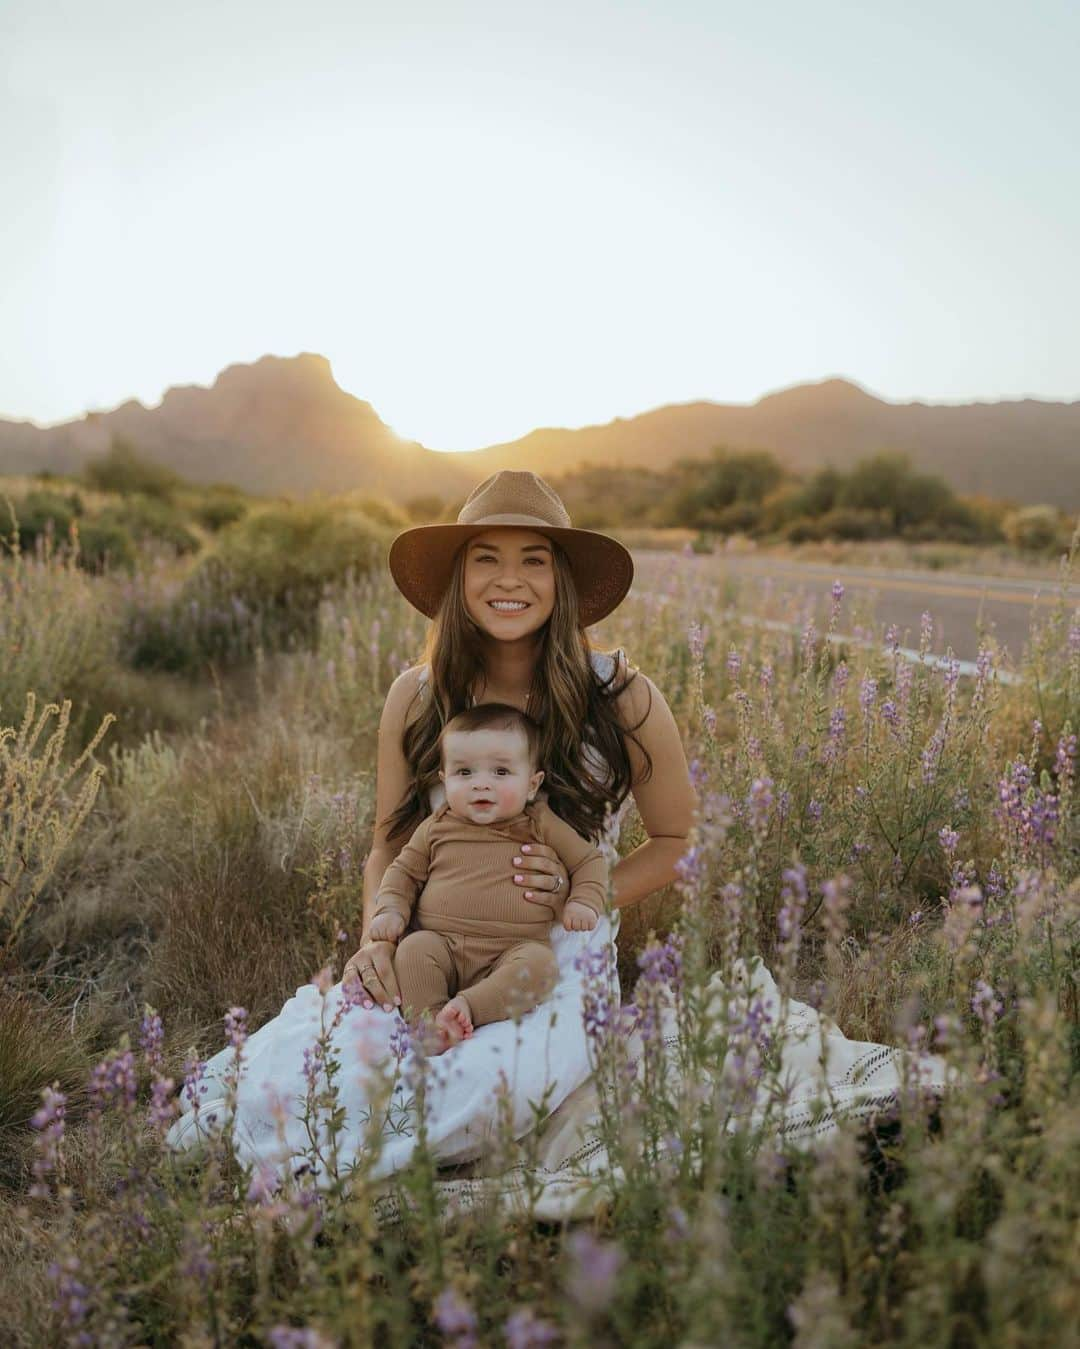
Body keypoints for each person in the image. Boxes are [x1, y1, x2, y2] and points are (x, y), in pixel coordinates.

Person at [166, 469, 694, 1183]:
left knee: (492, 1088)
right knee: (322, 1068)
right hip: (431, 941)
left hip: (551, 955)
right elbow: (390, 840)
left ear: (562, 579)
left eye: (534, 559)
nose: (510, 580)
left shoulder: (623, 697)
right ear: (459, 577)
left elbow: (677, 843)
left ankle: (358, 1160)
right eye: (487, 558)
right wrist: (374, 941)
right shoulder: (416, 697)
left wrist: (579, 891)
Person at [369, 703, 609, 1053]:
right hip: (442, 944)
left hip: (512, 950)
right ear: (444, 779)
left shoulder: (539, 822)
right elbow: (402, 872)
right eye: (464, 773)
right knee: (413, 950)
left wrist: (583, 900)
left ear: (532, 784)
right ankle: (430, 1023)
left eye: (500, 772)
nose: (481, 784)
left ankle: (470, 1006)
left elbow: (589, 862)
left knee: (539, 967)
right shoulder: (437, 826)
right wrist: (390, 909)